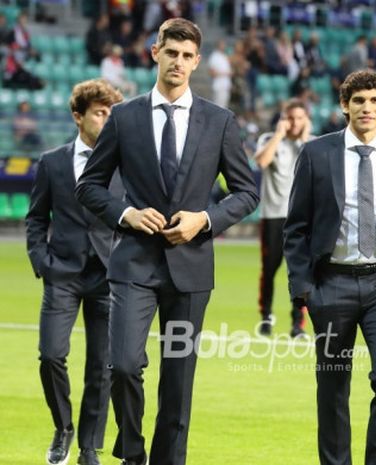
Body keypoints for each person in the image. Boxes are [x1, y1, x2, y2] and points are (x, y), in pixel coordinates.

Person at [75, 19, 259, 465]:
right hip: (133, 264)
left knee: (178, 382)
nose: (177, 62)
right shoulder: (124, 117)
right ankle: (133, 453)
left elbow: (247, 192)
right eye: (170, 52)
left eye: (186, 55)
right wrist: (126, 213)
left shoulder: (219, 122)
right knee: (122, 365)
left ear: (197, 62)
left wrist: (205, 219)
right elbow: (89, 185)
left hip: (191, 270)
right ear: (154, 52)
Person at [284, 69, 376, 465]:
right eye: (358, 100)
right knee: (332, 386)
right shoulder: (316, 154)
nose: (367, 108)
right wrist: (304, 288)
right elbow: (296, 228)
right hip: (330, 286)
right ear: (344, 106)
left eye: (375, 101)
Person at [26, 79, 124, 465]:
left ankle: (87, 447)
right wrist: (41, 261)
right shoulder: (51, 162)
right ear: (77, 116)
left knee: (102, 366)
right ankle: (62, 427)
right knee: (50, 355)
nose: (107, 120)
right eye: (100, 113)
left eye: (111, 113)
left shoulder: (124, 163)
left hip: (107, 273)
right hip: (62, 272)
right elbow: (35, 219)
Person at [254, 98, 313, 337]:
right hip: (274, 216)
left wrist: (305, 139)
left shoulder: (312, 144)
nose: (295, 123)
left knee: (301, 272)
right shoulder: (269, 140)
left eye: (300, 118)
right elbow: (261, 161)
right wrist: (279, 135)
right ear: (283, 119)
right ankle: (266, 318)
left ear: (306, 120)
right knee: (269, 270)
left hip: (302, 219)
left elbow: (316, 171)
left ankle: (297, 324)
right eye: (291, 118)